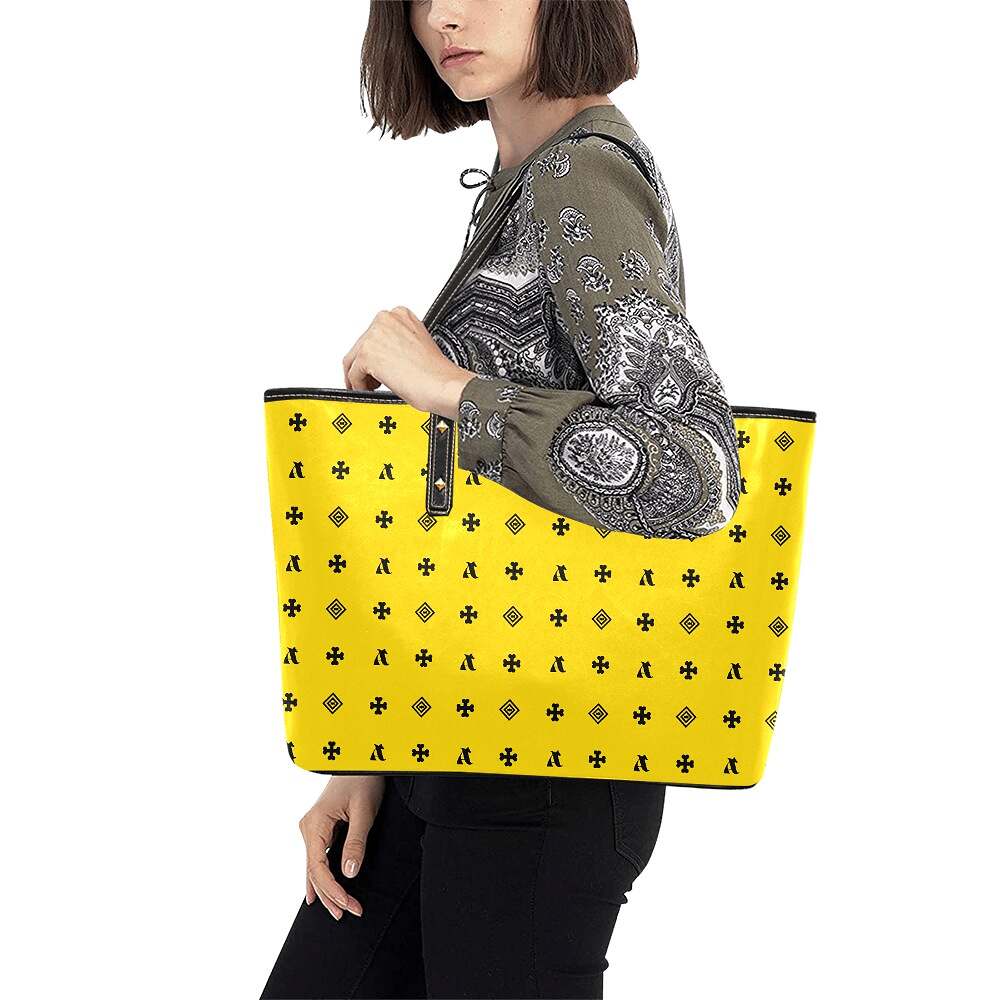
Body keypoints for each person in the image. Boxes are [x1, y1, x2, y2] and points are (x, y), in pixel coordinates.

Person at [262, 2, 741, 997]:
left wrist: (451, 390)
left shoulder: (581, 175)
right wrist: (372, 752)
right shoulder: (524, 178)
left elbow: (694, 469)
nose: (446, 13)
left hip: (550, 764)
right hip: (453, 731)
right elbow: (473, 532)